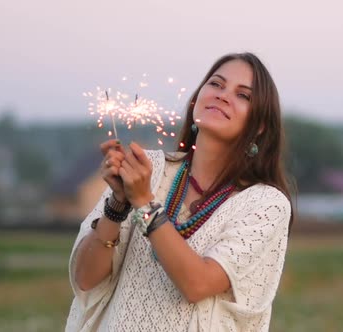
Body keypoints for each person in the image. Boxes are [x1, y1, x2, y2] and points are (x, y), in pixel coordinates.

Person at [66, 52, 293, 331]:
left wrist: (143, 202)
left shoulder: (264, 204)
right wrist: (118, 204)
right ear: (197, 98)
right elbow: (86, 279)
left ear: (259, 126)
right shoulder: (148, 169)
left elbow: (197, 284)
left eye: (243, 95)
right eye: (216, 84)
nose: (223, 95)